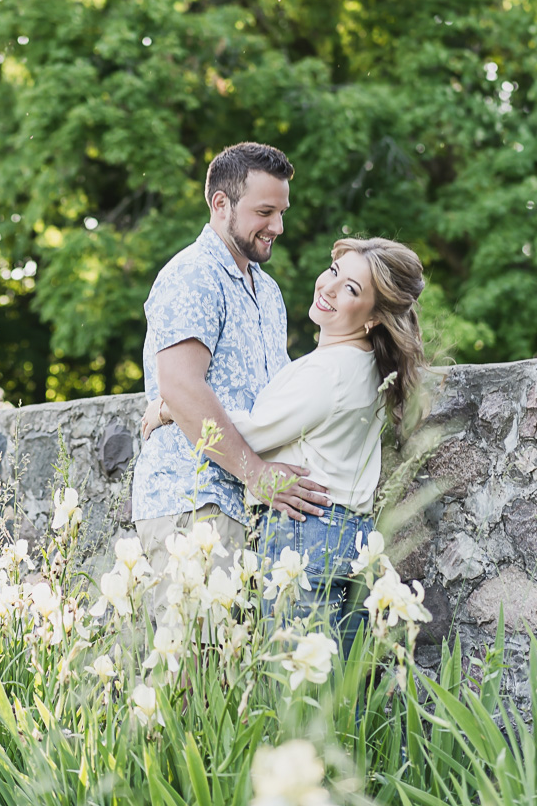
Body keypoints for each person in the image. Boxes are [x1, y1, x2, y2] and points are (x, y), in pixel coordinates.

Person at [144, 235, 426, 654]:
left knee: (297, 685)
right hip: (352, 537)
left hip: (308, 536)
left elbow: (250, 433)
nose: (328, 287)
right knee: (337, 690)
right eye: (333, 272)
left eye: (350, 288)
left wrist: (170, 407)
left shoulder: (327, 371)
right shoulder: (367, 366)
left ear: (373, 318)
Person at [130, 142, 330, 621]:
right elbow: (181, 387)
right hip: (195, 502)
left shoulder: (267, 289)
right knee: (192, 678)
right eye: (265, 211)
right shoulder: (193, 275)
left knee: (232, 681)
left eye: (281, 212)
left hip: (244, 506)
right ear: (221, 204)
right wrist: (257, 475)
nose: (277, 227)